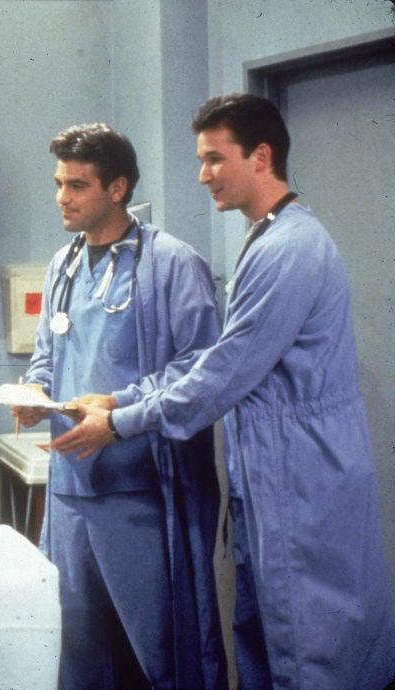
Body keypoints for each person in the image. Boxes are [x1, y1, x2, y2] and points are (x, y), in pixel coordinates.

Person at [52, 94, 395, 689]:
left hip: (301, 479)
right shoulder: (265, 239)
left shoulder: (289, 249)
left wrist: (122, 421)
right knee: (266, 637)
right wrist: (119, 400)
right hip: (271, 476)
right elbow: (220, 362)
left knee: (308, 651)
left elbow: (222, 372)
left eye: (214, 159)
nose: (202, 174)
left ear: (261, 157)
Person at [12, 123, 226, 689]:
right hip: (72, 490)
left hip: (141, 490)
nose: (62, 196)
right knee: (78, 653)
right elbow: (48, 354)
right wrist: (34, 394)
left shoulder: (172, 265)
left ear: (117, 188)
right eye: (59, 184)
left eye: (77, 185)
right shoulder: (63, 266)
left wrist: (120, 406)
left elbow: (200, 370)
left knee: (156, 652)